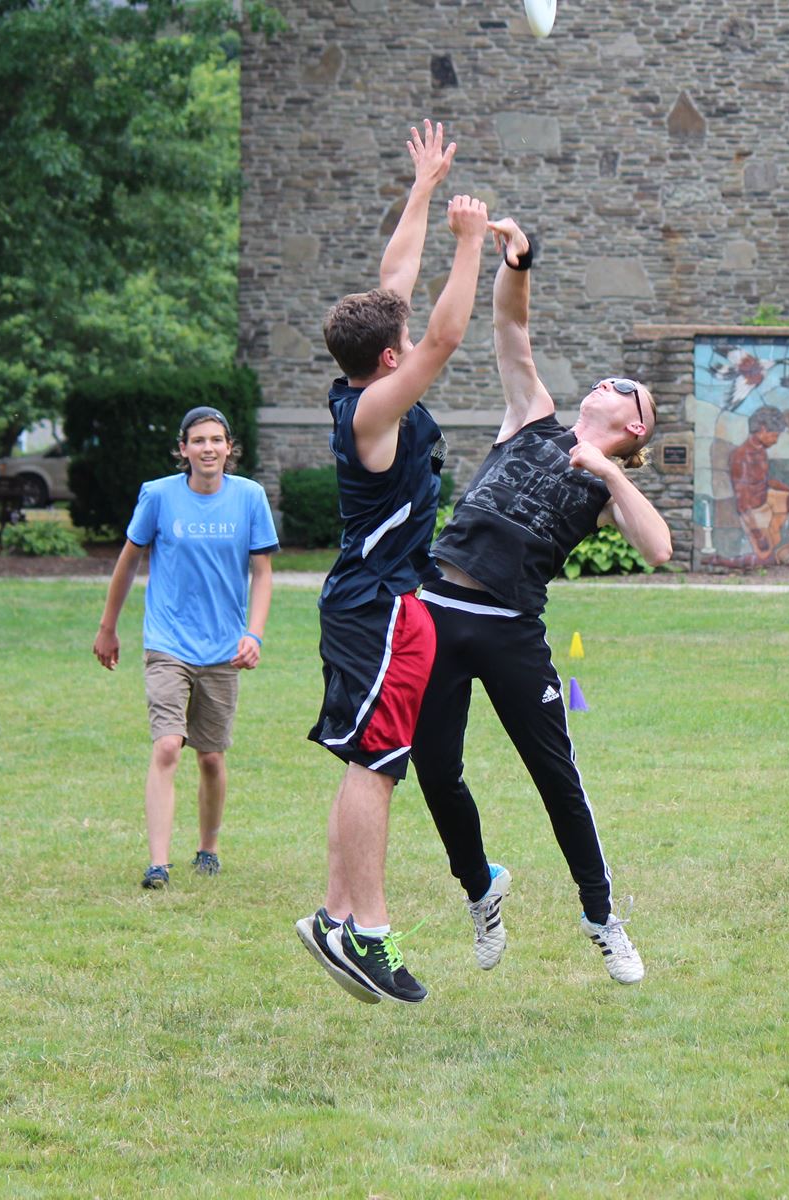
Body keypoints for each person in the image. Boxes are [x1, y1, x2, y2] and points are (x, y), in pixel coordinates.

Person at [412, 217, 672, 986]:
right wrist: (519, 262)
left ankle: (602, 917)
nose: (606, 382)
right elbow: (511, 329)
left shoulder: (607, 485)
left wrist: (612, 472)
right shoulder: (531, 419)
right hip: (437, 607)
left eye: (622, 386)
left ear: (634, 424)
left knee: (557, 777)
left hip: (510, 630)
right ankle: (480, 888)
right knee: (435, 768)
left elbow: (659, 549)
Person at [292, 119, 490, 1006]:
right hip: (381, 606)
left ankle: (337, 917)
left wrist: (422, 189)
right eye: (398, 343)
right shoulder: (375, 410)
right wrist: (471, 243)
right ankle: (365, 932)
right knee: (376, 761)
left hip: (368, 601)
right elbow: (441, 340)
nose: (409, 342)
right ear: (385, 360)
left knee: (366, 758)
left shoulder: (359, 381)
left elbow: (395, 283)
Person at [93, 406, 278, 889]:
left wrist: (253, 634)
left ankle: (208, 849)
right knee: (168, 746)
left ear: (229, 447)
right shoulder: (159, 496)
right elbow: (128, 561)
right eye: (198, 441)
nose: (208, 448)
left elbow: (261, 573)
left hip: (223, 648)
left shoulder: (250, 497)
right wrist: (108, 627)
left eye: (216, 440)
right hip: (168, 642)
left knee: (211, 756)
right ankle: (158, 864)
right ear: (183, 449)